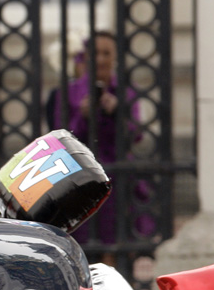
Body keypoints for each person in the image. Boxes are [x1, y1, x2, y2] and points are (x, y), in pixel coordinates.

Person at [45, 30, 154, 258]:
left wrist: (116, 112)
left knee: (120, 246)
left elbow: (136, 136)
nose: (101, 59)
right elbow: (59, 137)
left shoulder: (125, 90)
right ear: (85, 56)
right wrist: (83, 116)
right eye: (96, 53)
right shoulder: (69, 92)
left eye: (107, 53)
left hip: (118, 179)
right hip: (79, 181)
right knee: (83, 248)